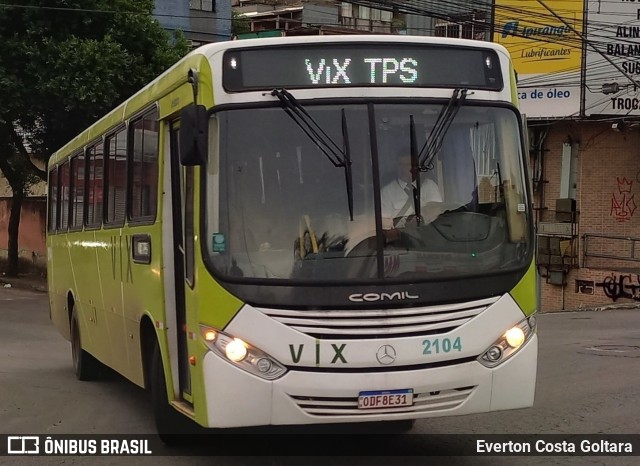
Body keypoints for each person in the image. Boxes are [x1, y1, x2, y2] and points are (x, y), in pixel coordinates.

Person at [380, 153, 443, 232]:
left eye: (408, 165)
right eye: (401, 165)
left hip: (429, 233)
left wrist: (420, 218)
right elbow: (385, 224)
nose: (404, 168)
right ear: (396, 167)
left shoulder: (429, 185)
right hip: (401, 237)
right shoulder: (386, 192)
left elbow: (435, 210)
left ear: (415, 167)